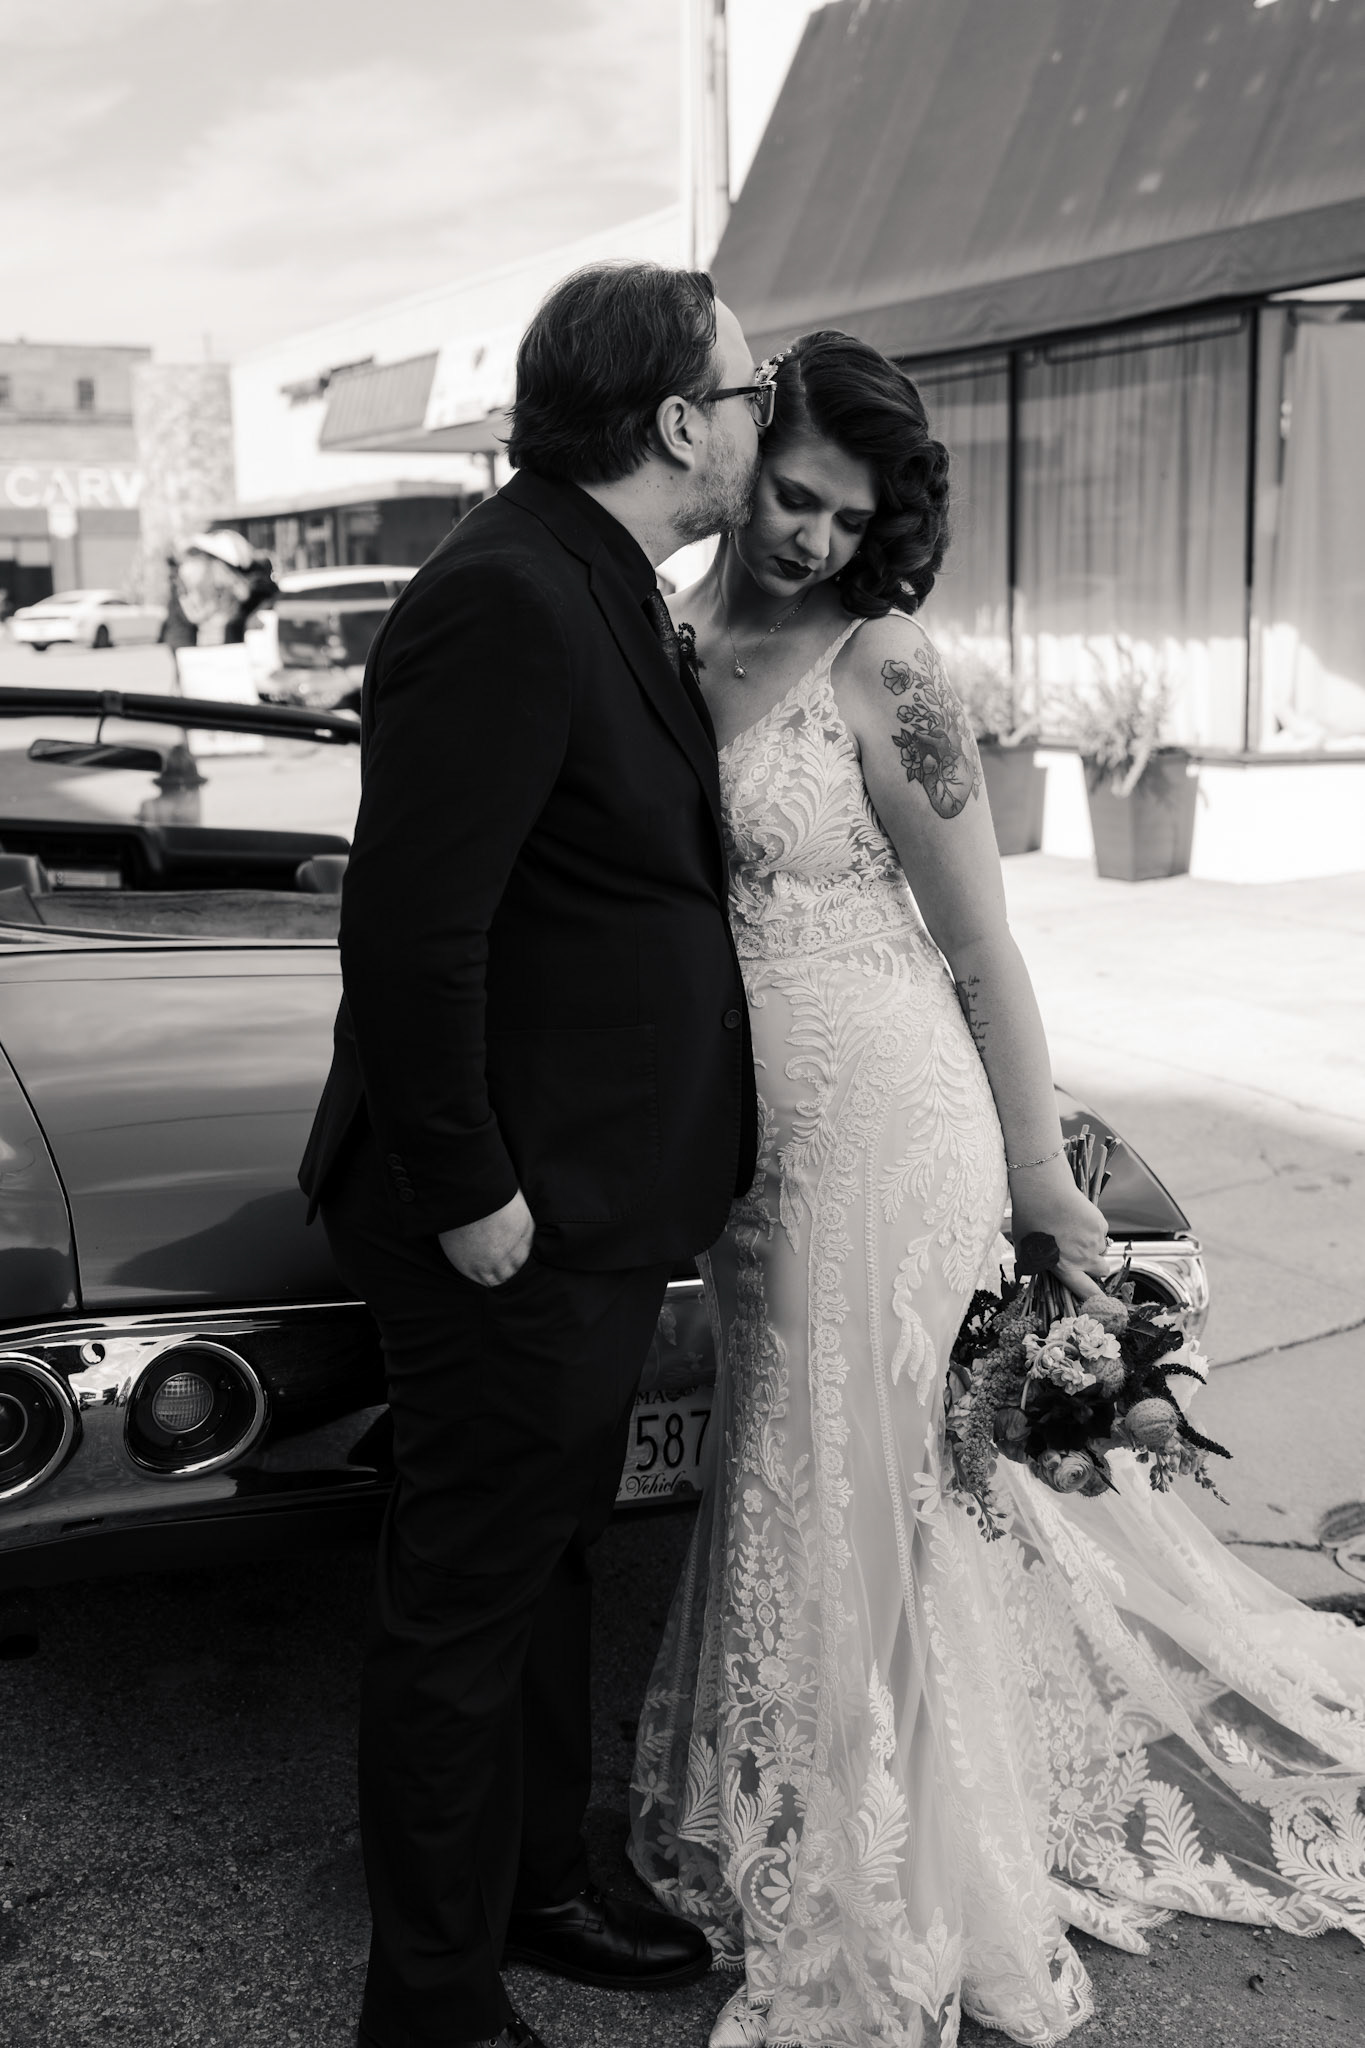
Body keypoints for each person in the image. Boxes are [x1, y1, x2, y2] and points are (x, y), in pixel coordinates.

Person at [629, 330, 1365, 2047]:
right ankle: (793, 1813)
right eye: (793, 496)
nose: (812, 537)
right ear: (742, 453)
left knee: (864, 1500)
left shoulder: (884, 664)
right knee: (787, 1475)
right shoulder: (659, 631)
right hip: (746, 1149)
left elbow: (982, 949)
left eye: (847, 517)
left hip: (890, 1130)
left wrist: (1042, 1176)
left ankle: (873, 1884)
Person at [299, 261, 770, 2048]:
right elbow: (412, 934)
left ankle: (537, 1886)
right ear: (676, 422)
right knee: (465, 1601)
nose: (760, 416)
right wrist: (473, 1193)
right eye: (747, 391)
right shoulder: (503, 591)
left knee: (547, 1554)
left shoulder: (595, 576)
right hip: (505, 1209)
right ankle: (428, 2005)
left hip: (588, 1193)